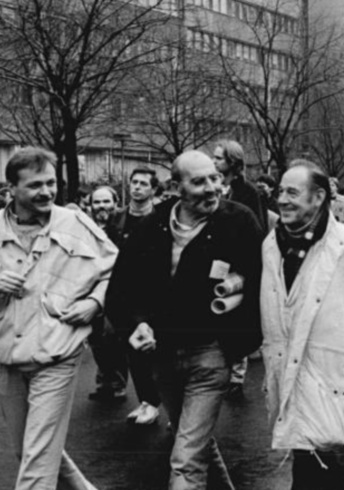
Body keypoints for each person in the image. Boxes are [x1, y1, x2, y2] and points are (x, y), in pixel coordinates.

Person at [107, 150, 263, 489]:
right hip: (162, 356)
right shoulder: (152, 227)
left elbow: (260, 284)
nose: (211, 188)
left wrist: (235, 344)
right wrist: (137, 324)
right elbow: (122, 289)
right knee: (192, 440)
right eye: (199, 181)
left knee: (185, 458)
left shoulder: (239, 221)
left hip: (210, 355)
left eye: (215, 178)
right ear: (177, 187)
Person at [0, 147, 117, 489]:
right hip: (8, 355)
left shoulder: (75, 223)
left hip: (57, 353)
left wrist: (95, 303)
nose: (47, 192)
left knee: (37, 462)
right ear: (12, 188)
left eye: (51, 183)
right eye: (35, 185)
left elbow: (116, 270)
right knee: (29, 451)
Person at [261, 160, 344, 490]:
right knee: (308, 456)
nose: (283, 199)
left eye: (293, 192)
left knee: (311, 453)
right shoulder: (270, 245)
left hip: (331, 370)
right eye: (281, 192)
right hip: (285, 368)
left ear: (319, 197)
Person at [105, 167, 162, 425]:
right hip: (124, 293)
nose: (137, 187)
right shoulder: (117, 219)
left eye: (143, 184)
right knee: (134, 348)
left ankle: (169, 403)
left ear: (153, 190)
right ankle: (147, 402)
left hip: (153, 293)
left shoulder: (161, 219)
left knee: (158, 352)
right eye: (134, 182)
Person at [213, 139, 267, 399]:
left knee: (235, 312)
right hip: (213, 261)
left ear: (232, 162)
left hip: (237, 262)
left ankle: (237, 374)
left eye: (219, 158)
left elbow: (254, 228)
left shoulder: (247, 191)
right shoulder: (211, 187)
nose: (214, 162)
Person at [84, 185, 130, 403]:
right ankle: (104, 381)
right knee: (96, 340)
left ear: (115, 202)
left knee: (113, 338)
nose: (101, 206)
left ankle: (117, 384)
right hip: (90, 291)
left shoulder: (122, 226)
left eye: (106, 201)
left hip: (117, 292)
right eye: (97, 202)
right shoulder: (85, 227)